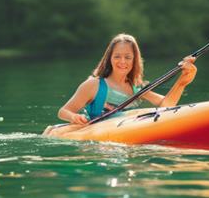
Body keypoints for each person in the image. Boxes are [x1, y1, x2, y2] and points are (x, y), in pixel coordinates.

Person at [52, 33, 197, 128]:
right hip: (98, 144)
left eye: (127, 57)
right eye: (117, 56)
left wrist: (182, 81)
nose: (122, 62)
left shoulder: (136, 87)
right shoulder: (93, 85)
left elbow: (167, 105)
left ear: (135, 61)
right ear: (109, 58)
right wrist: (74, 116)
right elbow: (63, 111)